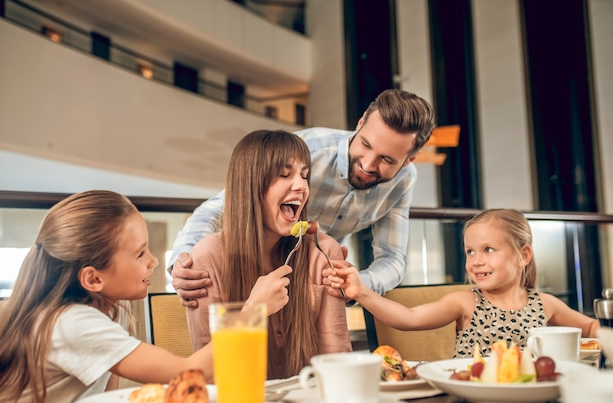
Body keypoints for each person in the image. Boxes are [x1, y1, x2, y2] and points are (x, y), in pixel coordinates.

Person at [0, 190, 289, 403]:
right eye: (140, 254)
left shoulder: (111, 307)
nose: (154, 261)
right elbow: (187, 372)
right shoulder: (72, 323)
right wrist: (252, 311)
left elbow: (105, 395)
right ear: (93, 279)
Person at [171, 88, 437, 307]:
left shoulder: (404, 180)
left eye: (387, 159)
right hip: (246, 278)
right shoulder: (309, 149)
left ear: (409, 160)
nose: (367, 165)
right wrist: (184, 260)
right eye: (365, 145)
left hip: (313, 290)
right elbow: (217, 210)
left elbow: (393, 257)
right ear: (359, 124)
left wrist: (358, 284)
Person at [186, 129, 352, 379]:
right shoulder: (206, 260)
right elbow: (209, 376)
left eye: (304, 176)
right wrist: (254, 312)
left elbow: (336, 356)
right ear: (250, 185)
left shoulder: (323, 252)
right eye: (284, 175)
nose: (301, 186)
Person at [325, 208, 600, 357]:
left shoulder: (545, 304)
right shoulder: (466, 302)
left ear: (523, 255)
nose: (476, 261)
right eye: (470, 251)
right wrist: (362, 292)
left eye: (488, 250)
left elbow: (589, 326)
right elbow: (409, 318)